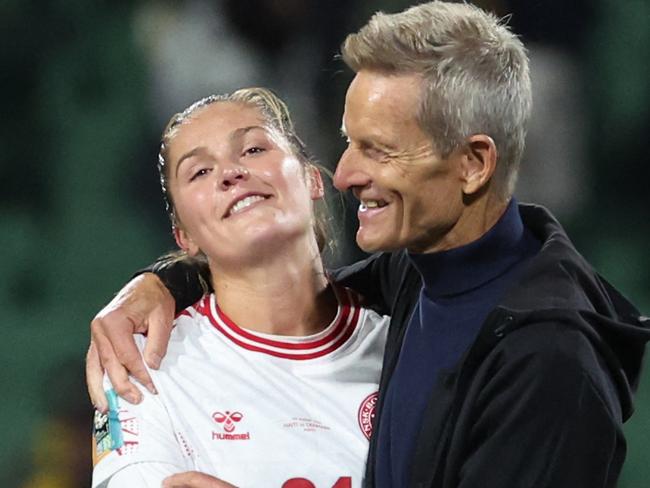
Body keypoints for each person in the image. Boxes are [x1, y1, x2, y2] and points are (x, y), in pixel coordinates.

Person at [87, 2, 650, 487]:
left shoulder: (548, 364)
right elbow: (285, 290)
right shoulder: (416, 281)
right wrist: (161, 283)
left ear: (474, 164)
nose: (345, 174)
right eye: (348, 143)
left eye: (379, 150)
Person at [90, 87, 389, 487]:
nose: (231, 173)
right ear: (184, 236)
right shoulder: (145, 363)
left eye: (252, 150)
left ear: (312, 179)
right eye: (199, 172)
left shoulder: (403, 338)